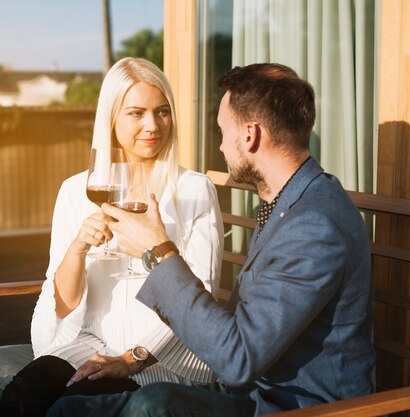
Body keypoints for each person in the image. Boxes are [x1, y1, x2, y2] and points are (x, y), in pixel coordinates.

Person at [46, 63, 375, 417]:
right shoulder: (293, 200)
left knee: (149, 405)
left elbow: (238, 360)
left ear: (249, 135)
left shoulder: (314, 226)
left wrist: (158, 251)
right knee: (69, 410)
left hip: (296, 407)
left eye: (222, 131)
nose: (219, 146)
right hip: (252, 393)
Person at [0, 57, 224, 417]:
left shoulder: (194, 191)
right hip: (94, 343)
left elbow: (200, 295)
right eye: (136, 113)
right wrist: (79, 248)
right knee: (30, 390)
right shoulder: (75, 191)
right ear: (111, 118)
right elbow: (62, 300)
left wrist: (132, 358)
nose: (152, 125)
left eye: (162, 112)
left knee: (70, 406)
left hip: (161, 359)